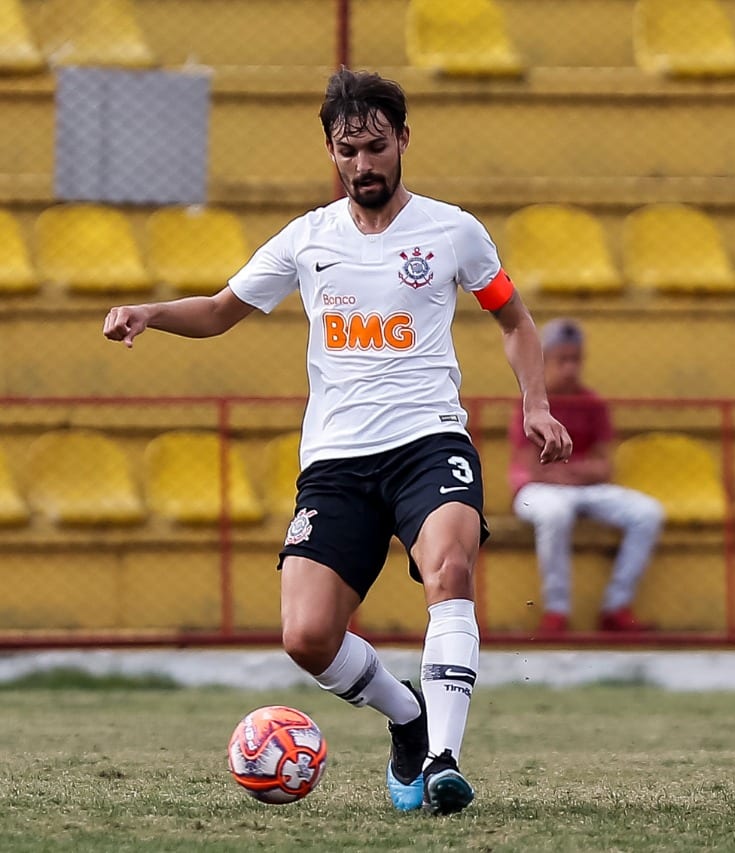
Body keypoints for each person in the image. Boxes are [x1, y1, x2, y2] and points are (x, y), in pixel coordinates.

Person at [102, 68, 572, 815]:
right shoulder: (306, 239)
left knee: (450, 568)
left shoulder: (453, 230)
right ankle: (409, 716)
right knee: (308, 635)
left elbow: (513, 319)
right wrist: (151, 312)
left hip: (429, 440)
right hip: (336, 461)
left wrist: (536, 404)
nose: (363, 164)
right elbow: (223, 308)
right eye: (348, 150)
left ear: (403, 141)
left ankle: (445, 759)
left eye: (376, 147)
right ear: (331, 150)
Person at [508, 318, 665, 637]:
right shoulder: (533, 404)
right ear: (546, 361)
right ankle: (556, 611)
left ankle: (616, 606)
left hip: (580, 487)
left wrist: (569, 472)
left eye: (576, 359)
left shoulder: (592, 403)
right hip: (536, 491)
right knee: (555, 513)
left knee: (647, 513)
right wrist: (578, 472)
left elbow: (606, 466)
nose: (570, 368)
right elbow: (532, 467)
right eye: (562, 360)